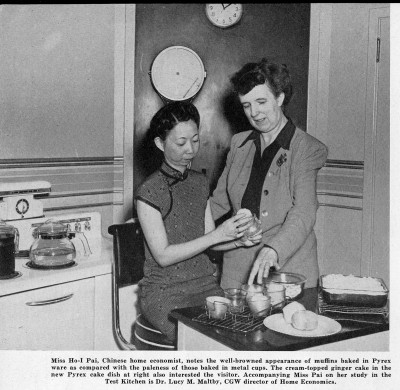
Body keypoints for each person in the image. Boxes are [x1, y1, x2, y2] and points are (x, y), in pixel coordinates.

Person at [135, 102, 260, 342]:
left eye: (195, 140)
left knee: (239, 337)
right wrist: (218, 235)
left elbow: (209, 241)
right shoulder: (149, 192)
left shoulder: (199, 182)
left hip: (205, 287)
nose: (190, 149)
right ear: (160, 144)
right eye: (180, 143)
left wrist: (240, 241)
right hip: (164, 293)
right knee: (200, 342)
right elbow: (163, 256)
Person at [210, 58, 328, 289]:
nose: (254, 112)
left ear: (280, 98)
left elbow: (304, 211)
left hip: (289, 273)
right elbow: (217, 204)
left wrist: (273, 249)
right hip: (238, 274)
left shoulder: (306, 148)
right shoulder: (238, 144)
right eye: (246, 105)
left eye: (261, 101)